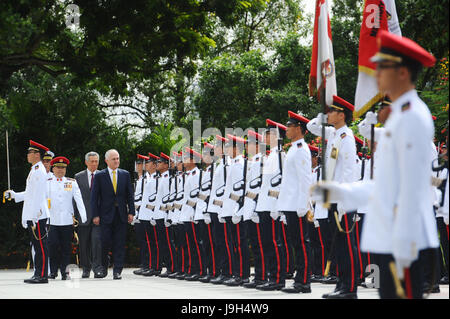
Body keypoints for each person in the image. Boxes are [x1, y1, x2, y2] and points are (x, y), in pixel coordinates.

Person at [312, 30, 439, 299]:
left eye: (383, 68)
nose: (376, 74)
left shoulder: (411, 118)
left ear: (402, 73)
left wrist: (346, 194)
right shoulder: (400, 118)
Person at [307, 95, 359, 299]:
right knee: (338, 245)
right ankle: (341, 284)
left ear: (342, 115)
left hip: (342, 200)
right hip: (332, 199)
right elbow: (311, 126)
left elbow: (348, 171)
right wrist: (321, 116)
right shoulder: (334, 134)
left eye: (331, 111)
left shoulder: (347, 136)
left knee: (347, 244)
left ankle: (350, 288)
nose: (328, 114)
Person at [5, 140, 51, 283]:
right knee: (37, 246)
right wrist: (15, 195)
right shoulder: (35, 170)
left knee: (41, 247)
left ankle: (42, 275)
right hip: (35, 214)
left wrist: (35, 216)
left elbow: (38, 195)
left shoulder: (39, 171)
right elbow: (30, 193)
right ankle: (38, 273)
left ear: (37, 154)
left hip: (38, 215)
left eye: (30, 152)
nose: (27, 155)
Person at [277, 111, 312, 294]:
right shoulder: (293, 148)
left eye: (289, 126)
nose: (287, 129)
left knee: (301, 243)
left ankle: (304, 282)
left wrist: (303, 204)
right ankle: (300, 279)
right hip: (290, 204)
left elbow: (305, 179)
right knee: (296, 243)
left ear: (299, 128)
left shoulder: (301, 150)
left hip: (297, 205)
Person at [90, 149, 135, 279]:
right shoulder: (100, 176)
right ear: (106, 161)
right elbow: (94, 197)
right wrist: (95, 215)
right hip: (105, 215)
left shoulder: (125, 174)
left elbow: (129, 195)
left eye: (118, 158)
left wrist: (131, 212)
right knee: (105, 242)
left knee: (119, 243)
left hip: (121, 214)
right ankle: (103, 268)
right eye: (114, 159)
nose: (116, 161)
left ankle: (117, 270)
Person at [255, 119, 288, 291]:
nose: (264, 136)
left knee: (275, 243)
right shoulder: (271, 155)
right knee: (268, 243)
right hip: (264, 206)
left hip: (271, 206)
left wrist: (277, 206)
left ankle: (278, 279)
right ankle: (271, 276)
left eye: (267, 133)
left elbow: (281, 183)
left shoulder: (280, 155)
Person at [47, 156, 87, 280]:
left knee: (66, 248)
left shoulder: (71, 182)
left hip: (66, 221)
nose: (60, 170)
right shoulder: (47, 182)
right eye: (58, 168)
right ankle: (53, 271)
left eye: (63, 168)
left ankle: (65, 272)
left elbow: (78, 199)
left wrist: (83, 215)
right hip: (52, 221)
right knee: (52, 247)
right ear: (53, 168)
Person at [74, 151, 102, 278]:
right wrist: (75, 215)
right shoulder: (78, 177)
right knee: (84, 244)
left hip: (98, 217)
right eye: (92, 161)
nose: (94, 164)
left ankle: (97, 268)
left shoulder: (103, 175)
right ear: (86, 162)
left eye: (96, 161)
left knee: (97, 243)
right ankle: (86, 268)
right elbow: (74, 197)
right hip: (83, 217)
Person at [137, 152, 160, 276]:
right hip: (144, 214)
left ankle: (154, 266)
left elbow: (156, 198)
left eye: (148, 162)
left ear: (154, 165)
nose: (146, 165)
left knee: (153, 242)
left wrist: (153, 213)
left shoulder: (157, 178)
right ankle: (149, 265)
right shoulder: (149, 178)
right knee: (148, 241)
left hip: (152, 214)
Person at [132, 154, 149, 276]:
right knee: (141, 241)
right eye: (137, 164)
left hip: (144, 213)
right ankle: (144, 263)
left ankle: (147, 264)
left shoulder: (146, 179)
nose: (138, 166)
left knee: (146, 241)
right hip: (138, 214)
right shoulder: (138, 180)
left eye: (140, 164)